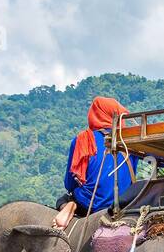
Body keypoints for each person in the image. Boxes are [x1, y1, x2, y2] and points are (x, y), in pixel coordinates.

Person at [53, 96, 137, 229]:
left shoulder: (83, 139)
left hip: (90, 204)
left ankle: (70, 205)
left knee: (62, 199)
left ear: (94, 114)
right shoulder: (130, 140)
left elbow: (69, 184)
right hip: (125, 203)